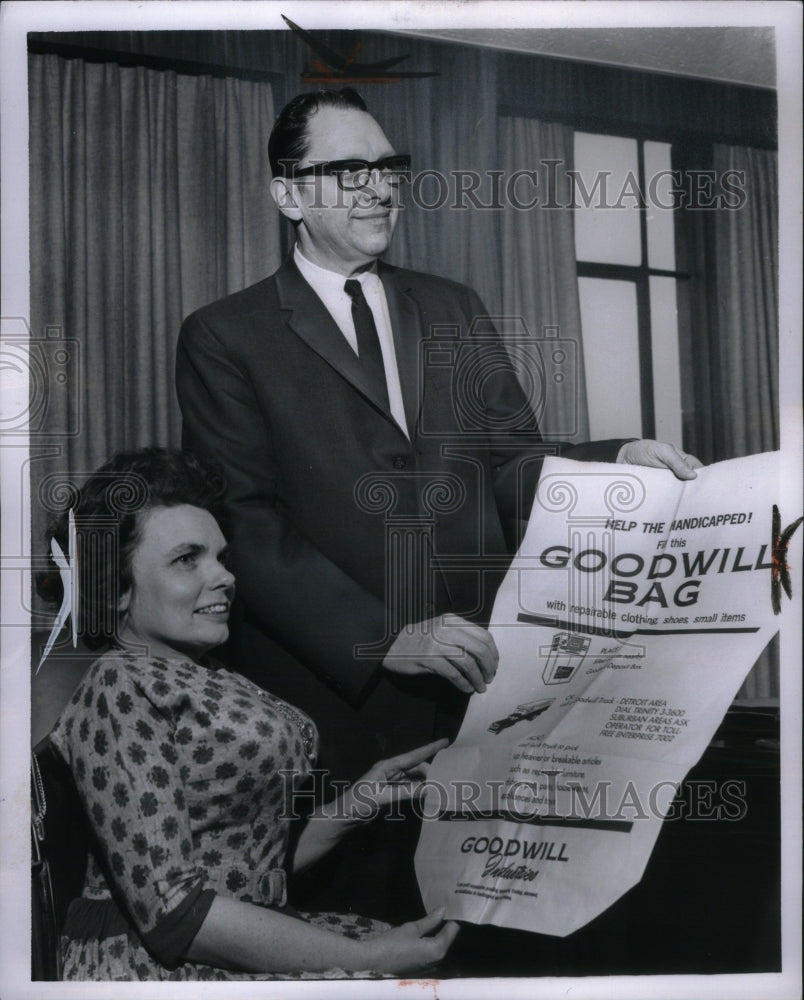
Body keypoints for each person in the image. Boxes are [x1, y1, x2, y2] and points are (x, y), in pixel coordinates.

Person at [175, 89, 700, 916]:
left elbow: (514, 463)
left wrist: (616, 463)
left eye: (387, 167)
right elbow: (244, 519)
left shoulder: (452, 306)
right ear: (288, 194)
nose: (379, 188)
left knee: (479, 936)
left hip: (482, 701)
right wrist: (386, 639)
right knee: (346, 937)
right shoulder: (224, 335)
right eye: (347, 170)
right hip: (332, 716)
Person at [41, 448, 458, 981]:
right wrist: (367, 959)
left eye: (221, 557)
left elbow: (248, 870)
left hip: (220, 934)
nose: (224, 577)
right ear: (116, 588)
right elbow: (175, 911)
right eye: (187, 559)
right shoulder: (119, 683)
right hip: (151, 968)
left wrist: (356, 805)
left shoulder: (207, 671)